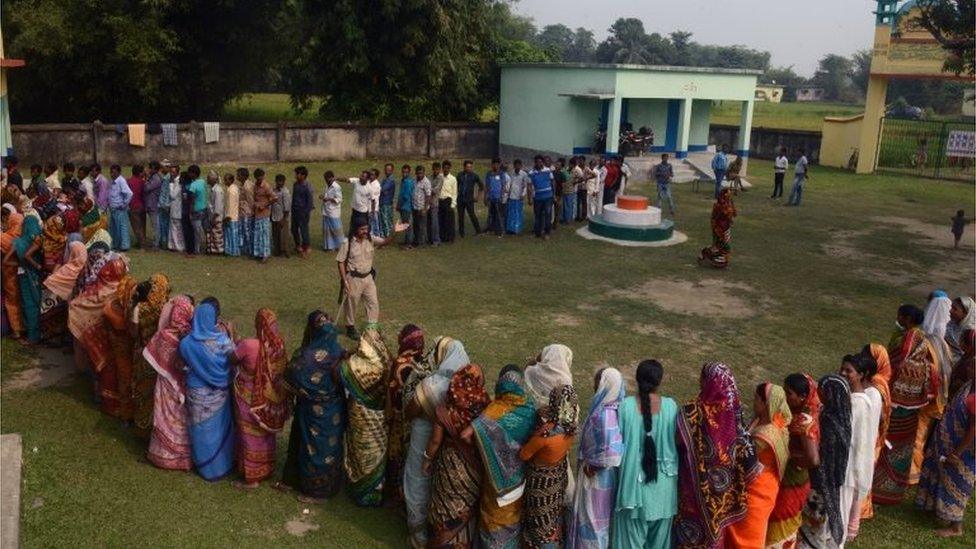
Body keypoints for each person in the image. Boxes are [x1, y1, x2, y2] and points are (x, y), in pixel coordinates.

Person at [674, 362, 758, 548]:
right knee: (715, 536)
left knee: (692, 534)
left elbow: (678, 440)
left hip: (694, 489)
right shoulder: (735, 411)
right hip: (722, 494)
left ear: (707, 381)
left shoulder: (693, 410)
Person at [872, 304, 940, 505]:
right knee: (902, 446)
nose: (898, 319)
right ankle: (894, 489)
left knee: (887, 443)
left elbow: (896, 361)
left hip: (898, 407)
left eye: (900, 316)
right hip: (911, 408)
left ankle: (881, 489)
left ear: (908, 318)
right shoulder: (922, 345)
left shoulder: (908, 345)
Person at [406, 337, 469, 547]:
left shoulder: (432, 384)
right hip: (453, 447)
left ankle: (418, 532)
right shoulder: (466, 386)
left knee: (418, 479)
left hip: (423, 437)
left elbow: (411, 411)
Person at [278, 311, 348, 501]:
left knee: (313, 449)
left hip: (311, 410)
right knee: (327, 449)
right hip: (333, 412)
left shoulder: (305, 356)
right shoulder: (341, 354)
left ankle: (316, 492)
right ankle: (326, 486)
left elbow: (289, 378)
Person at [612, 360, 678, 548]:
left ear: (637, 379)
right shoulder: (671, 407)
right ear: (659, 382)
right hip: (664, 492)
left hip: (633, 492)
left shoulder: (625, 407)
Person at [471, 364, 537, 548]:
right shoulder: (530, 408)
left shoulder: (492, 412)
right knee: (512, 519)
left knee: (493, 518)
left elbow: (470, 432)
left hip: (496, 481)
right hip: (519, 480)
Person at [425, 363, 491, 546]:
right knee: (465, 510)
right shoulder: (487, 409)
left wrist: (426, 460)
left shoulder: (446, 410)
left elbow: (435, 442)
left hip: (448, 469)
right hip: (474, 472)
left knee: (444, 508)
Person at [726, 383, 793, 548]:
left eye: (757, 399)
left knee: (750, 534)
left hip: (757, 492)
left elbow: (743, 458)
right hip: (763, 486)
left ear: (766, 404)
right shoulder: (765, 423)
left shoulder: (766, 434)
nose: (753, 402)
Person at [915, 354, 974, 538]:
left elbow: (973, 429)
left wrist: (957, 453)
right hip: (948, 442)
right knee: (940, 474)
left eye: (973, 368)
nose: (969, 370)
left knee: (957, 483)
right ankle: (933, 507)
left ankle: (955, 527)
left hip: (962, 451)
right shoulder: (969, 386)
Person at [232, 308, 291, 488]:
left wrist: (235, 339)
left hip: (249, 399)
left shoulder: (249, 345)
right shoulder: (278, 348)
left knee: (249, 435)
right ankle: (266, 467)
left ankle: (252, 478)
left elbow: (231, 359)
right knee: (265, 435)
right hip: (269, 403)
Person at [179, 297, 236, 481]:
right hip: (220, 393)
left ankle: (204, 467)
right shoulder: (223, 340)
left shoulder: (186, 344)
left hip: (197, 393)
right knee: (218, 429)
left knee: (200, 429)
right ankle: (223, 464)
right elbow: (234, 361)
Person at [568, 367, 624, 549]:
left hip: (597, 480)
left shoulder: (604, 415)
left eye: (597, 382)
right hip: (603, 478)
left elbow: (613, 455)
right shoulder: (615, 409)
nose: (594, 385)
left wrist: (592, 467)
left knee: (592, 523)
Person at [520, 384, 579, 548]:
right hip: (557, 480)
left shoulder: (546, 435)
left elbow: (524, 454)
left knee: (539, 524)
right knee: (552, 518)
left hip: (541, 485)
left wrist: (537, 431)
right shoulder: (571, 429)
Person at [797, 375, 852, 549]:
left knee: (812, 530)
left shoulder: (828, 422)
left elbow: (817, 458)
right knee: (820, 527)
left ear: (829, 393)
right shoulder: (842, 418)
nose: (818, 391)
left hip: (819, 484)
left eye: (822, 388)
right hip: (831, 483)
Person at [766, 374, 821, 548]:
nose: (784, 395)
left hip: (793, 481)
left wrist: (791, 459)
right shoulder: (792, 414)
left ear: (802, 397)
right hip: (789, 478)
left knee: (781, 521)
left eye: (788, 393)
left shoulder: (804, 421)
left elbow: (813, 459)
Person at [341, 327, 393, 506]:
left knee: (362, 450)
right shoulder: (386, 359)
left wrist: (346, 356)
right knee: (376, 450)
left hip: (362, 416)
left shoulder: (359, 365)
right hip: (380, 416)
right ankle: (375, 490)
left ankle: (361, 490)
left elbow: (340, 370)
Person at [144, 294, 195, 471]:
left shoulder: (164, 336)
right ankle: (183, 457)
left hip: (165, 388)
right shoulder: (190, 338)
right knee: (181, 418)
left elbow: (151, 356)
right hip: (182, 387)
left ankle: (162, 455)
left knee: (164, 417)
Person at [335, 218, 409, 340]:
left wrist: (394, 232)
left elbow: (385, 242)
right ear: (355, 229)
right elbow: (340, 262)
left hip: (368, 278)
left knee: (373, 303)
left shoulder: (370, 239)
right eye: (362, 229)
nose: (365, 231)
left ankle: (372, 328)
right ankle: (350, 327)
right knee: (351, 304)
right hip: (353, 278)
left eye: (366, 228)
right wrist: (344, 280)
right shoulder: (347, 243)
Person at [840, 352, 882, 542]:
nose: (843, 373)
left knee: (850, 495)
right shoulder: (855, 396)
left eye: (848, 370)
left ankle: (849, 530)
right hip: (850, 455)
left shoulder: (865, 399)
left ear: (862, 374)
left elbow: (862, 432)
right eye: (842, 369)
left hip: (854, 457)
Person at [385, 324, 425, 505]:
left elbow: (393, 392)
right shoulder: (424, 363)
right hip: (417, 420)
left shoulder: (400, 364)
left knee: (395, 454)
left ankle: (394, 494)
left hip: (399, 420)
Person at [858, 344, 892, 522]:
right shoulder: (881, 380)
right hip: (874, 435)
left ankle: (860, 510)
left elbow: (871, 416)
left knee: (862, 472)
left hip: (870, 435)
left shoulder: (875, 387)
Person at [8, 215, 44, 343]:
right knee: (37, 302)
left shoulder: (18, 242)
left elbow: (7, 260)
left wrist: (20, 264)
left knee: (28, 304)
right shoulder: (40, 239)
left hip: (23, 275)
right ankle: (38, 334)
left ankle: (31, 337)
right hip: (36, 275)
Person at [1, 204, 25, 341]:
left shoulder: (4, 238)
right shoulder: (24, 237)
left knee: (12, 301)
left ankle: (16, 330)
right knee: (23, 300)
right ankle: (25, 327)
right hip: (23, 274)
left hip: (9, 274)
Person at [524, 343, 573, 408]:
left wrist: (534, 361)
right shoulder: (566, 379)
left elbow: (526, 370)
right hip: (555, 413)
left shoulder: (533, 371)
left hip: (531, 409)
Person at [699, 188, 737, 269]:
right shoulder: (721, 206)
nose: (730, 198)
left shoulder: (722, 205)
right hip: (720, 229)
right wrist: (731, 203)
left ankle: (707, 254)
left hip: (723, 228)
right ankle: (710, 256)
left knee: (719, 245)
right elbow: (731, 213)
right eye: (729, 196)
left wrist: (731, 202)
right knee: (723, 246)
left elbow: (733, 214)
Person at [946, 296, 976, 396]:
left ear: (966, 313)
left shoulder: (971, 332)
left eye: (955, 309)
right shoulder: (951, 325)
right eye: (951, 307)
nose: (950, 311)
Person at [528, 155, 555, 240]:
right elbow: (529, 186)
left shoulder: (548, 170)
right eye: (537, 162)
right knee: (537, 216)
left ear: (542, 162)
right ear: (535, 162)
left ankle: (547, 233)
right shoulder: (531, 173)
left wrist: (554, 195)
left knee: (548, 215)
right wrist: (529, 198)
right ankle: (538, 233)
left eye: (540, 162)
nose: (539, 164)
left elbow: (553, 182)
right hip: (537, 198)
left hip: (548, 197)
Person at [107, 165, 133, 251]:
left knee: (122, 227)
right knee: (114, 228)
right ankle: (115, 244)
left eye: (113, 172)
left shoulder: (121, 181)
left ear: (118, 172)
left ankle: (124, 246)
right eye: (111, 172)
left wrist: (124, 204)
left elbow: (129, 193)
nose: (112, 174)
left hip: (120, 209)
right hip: (113, 209)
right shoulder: (112, 182)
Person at [251, 169, 275, 262]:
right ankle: (258, 253)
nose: (260, 179)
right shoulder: (255, 185)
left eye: (261, 177)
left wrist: (264, 205)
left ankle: (265, 254)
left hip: (264, 213)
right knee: (258, 233)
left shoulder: (266, 186)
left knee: (264, 234)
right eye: (258, 178)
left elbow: (274, 198)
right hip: (257, 213)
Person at [455, 160, 483, 238]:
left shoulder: (474, 176)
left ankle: (478, 231)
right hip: (460, 199)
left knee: (472, 215)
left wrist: (478, 197)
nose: (469, 168)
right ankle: (461, 233)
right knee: (460, 216)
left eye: (470, 167)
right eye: (467, 167)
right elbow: (456, 185)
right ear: (464, 167)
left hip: (469, 199)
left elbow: (481, 186)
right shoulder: (460, 175)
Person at [291, 166, 313, 258]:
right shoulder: (295, 185)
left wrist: (306, 212)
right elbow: (294, 198)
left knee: (304, 230)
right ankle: (298, 245)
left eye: (297, 174)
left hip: (303, 212)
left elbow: (310, 202)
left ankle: (306, 247)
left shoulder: (307, 187)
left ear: (303, 175)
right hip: (295, 211)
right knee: (293, 229)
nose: (295, 175)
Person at [320, 171, 344, 252]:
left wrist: (329, 199)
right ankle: (329, 247)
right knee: (327, 230)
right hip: (326, 210)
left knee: (336, 229)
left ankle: (341, 246)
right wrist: (323, 197)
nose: (326, 180)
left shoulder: (336, 187)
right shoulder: (327, 185)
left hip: (334, 211)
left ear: (331, 178)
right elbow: (327, 195)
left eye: (327, 178)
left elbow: (339, 199)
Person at [187, 165, 207, 255]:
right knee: (205, 230)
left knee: (197, 231)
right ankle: (208, 247)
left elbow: (192, 200)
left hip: (196, 210)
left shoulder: (193, 185)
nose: (189, 174)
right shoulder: (203, 181)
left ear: (194, 174)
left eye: (190, 173)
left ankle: (197, 249)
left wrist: (190, 211)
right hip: (204, 208)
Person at [506, 159, 528, 235]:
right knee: (511, 213)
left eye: (519, 165)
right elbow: (509, 184)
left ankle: (517, 228)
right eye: (516, 165)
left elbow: (525, 186)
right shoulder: (511, 173)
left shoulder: (524, 174)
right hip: (511, 196)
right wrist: (507, 193)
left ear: (521, 166)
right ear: (514, 165)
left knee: (518, 213)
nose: (517, 167)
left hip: (519, 197)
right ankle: (510, 228)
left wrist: (523, 194)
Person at [272, 174, 292, 257]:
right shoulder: (274, 190)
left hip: (282, 217)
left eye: (281, 181)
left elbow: (287, 207)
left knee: (284, 236)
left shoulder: (285, 192)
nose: (279, 183)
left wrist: (283, 219)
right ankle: (277, 251)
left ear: (284, 182)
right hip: (274, 216)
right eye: (278, 181)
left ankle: (286, 252)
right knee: (276, 235)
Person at [410, 165, 431, 248]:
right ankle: (416, 241)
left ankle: (422, 242)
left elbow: (428, 196)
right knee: (416, 225)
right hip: (415, 207)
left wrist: (425, 209)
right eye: (418, 173)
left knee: (422, 226)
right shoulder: (414, 181)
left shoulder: (426, 182)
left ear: (424, 173)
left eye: (421, 173)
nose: (419, 175)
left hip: (422, 208)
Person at [144, 161, 163, 250]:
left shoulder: (156, 178)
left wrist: (146, 178)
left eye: (150, 168)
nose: (148, 170)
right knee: (154, 225)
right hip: (151, 203)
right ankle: (156, 242)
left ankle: (156, 244)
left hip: (153, 204)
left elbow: (147, 188)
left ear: (155, 169)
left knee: (155, 226)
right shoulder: (153, 177)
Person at [126, 165, 146, 249]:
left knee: (137, 227)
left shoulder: (129, 181)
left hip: (133, 206)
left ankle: (142, 244)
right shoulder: (142, 182)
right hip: (141, 205)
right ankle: (142, 242)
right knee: (142, 226)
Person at [485, 159, 506, 237]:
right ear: (492, 165)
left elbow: (503, 186)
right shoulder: (489, 174)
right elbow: (487, 186)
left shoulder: (501, 174)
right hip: (491, 197)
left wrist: (501, 196)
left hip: (498, 198)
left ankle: (501, 231)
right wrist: (485, 196)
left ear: (499, 165)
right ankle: (490, 229)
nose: (495, 166)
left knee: (499, 215)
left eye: (497, 164)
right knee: (490, 215)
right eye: (494, 164)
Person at [206, 172, 226, 255]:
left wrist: (214, 216)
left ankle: (219, 250)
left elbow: (218, 206)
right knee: (213, 233)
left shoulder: (217, 190)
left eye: (208, 178)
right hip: (212, 215)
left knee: (217, 234)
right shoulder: (213, 189)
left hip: (216, 216)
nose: (207, 180)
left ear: (212, 180)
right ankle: (213, 249)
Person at [440, 161, 458, 243]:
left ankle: (451, 238)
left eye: (447, 168)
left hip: (448, 200)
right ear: (442, 168)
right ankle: (443, 237)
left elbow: (454, 193)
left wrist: (453, 204)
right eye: (444, 168)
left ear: (450, 168)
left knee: (450, 221)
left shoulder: (453, 179)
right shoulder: (440, 177)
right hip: (440, 200)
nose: (446, 170)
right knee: (441, 220)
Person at [223, 171, 241, 256]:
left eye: (226, 180)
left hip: (231, 216)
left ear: (230, 180)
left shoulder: (231, 191)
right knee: (232, 235)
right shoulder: (234, 188)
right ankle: (232, 250)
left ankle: (232, 251)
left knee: (231, 235)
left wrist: (227, 216)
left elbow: (230, 204)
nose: (224, 182)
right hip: (234, 215)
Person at [397, 165, 415, 245]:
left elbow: (405, 197)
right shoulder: (403, 181)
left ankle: (409, 243)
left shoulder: (408, 182)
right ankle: (407, 241)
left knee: (407, 225)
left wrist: (399, 205)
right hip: (403, 206)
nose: (404, 174)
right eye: (403, 172)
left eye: (406, 172)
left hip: (405, 206)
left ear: (409, 173)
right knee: (405, 224)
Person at [238, 168, 254, 257]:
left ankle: (250, 250)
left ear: (243, 176)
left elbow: (250, 200)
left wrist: (252, 212)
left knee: (247, 232)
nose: (237, 177)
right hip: (243, 212)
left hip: (247, 212)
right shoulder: (243, 185)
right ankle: (246, 249)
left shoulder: (247, 187)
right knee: (244, 231)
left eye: (239, 175)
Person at [168, 169, 185, 252]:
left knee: (177, 228)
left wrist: (170, 184)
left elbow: (173, 195)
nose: (171, 174)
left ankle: (178, 246)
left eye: (173, 172)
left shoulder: (178, 181)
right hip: (175, 208)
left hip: (177, 208)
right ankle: (173, 245)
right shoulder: (176, 180)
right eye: (171, 172)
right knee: (174, 228)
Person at [426, 162, 443, 246]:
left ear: (439, 170)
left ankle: (436, 240)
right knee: (428, 222)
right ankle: (430, 239)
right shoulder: (429, 177)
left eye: (437, 169)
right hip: (427, 203)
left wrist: (428, 190)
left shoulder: (440, 178)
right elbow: (427, 187)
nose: (436, 171)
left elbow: (435, 190)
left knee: (434, 223)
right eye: (434, 169)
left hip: (434, 203)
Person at [378, 163, 396, 237]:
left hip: (387, 203)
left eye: (389, 170)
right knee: (382, 220)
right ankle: (384, 236)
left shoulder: (391, 180)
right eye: (386, 169)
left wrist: (382, 190)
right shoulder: (385, 179)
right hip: (382, 202)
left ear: (392, 170)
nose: (387, 171)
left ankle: (388, 237)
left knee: (386, 221)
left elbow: (381, 189)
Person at [574, 156, 589, 222]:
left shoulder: (586, 169)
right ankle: (578, 216)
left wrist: (587, 178)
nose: (580, 162)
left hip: (584, 188)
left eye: (582, 160)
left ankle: (583, 216)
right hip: (578, 187)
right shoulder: (577, 168)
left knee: (584, 203)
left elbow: (594, 175)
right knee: (578, 202)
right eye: (579, 160)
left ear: (584, 161)